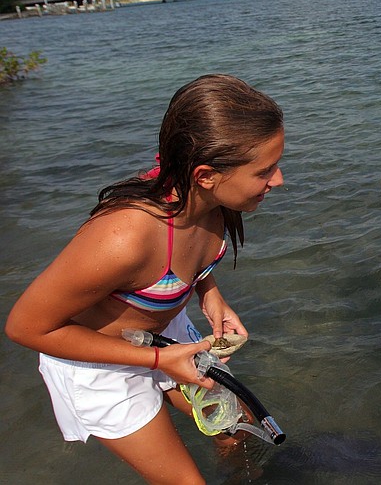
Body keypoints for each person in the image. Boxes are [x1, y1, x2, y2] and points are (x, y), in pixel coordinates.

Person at [5, 74, 285, 484]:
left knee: (232, 426)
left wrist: (210, 294)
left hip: (160, 335)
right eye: (265, 171)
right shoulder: (123, 238)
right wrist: (159, 360)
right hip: (96, 363)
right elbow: (24, 327)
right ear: (205, 174)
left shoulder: (213, 199)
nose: (278, 180)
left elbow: (191, 257)